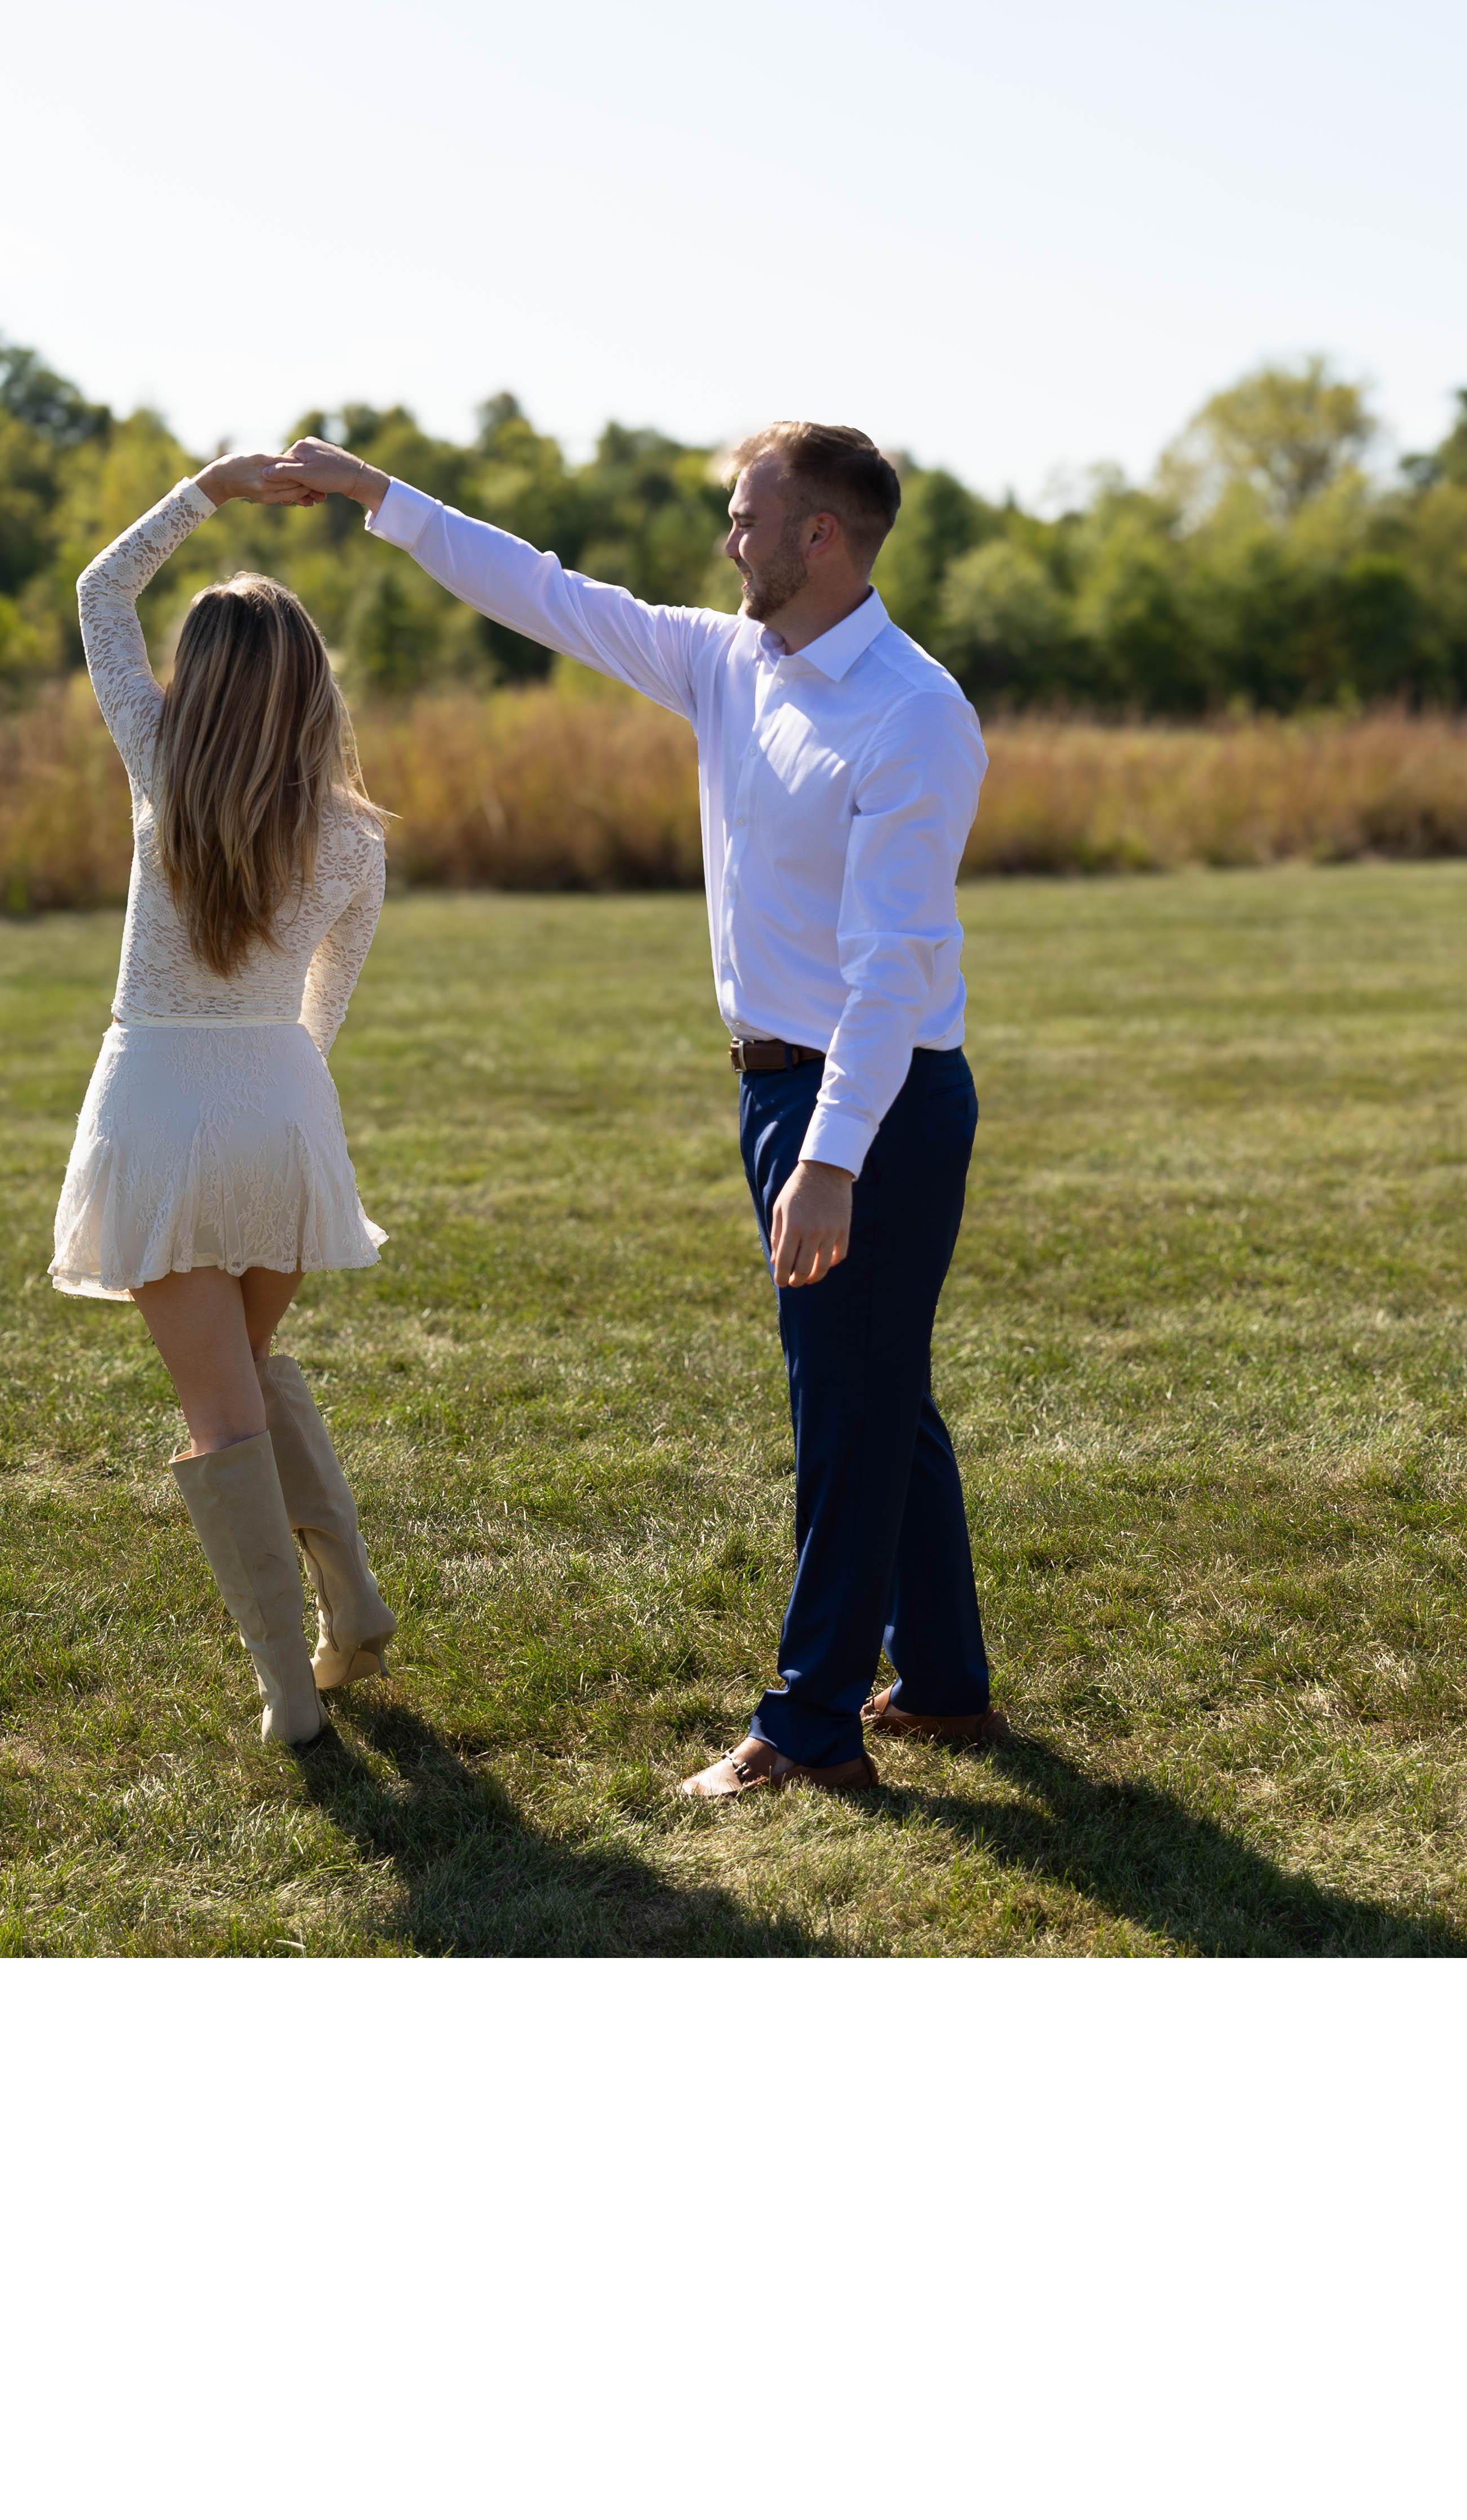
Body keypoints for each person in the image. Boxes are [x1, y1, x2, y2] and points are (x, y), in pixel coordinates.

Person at [266, 419, 997, 1798]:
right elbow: (549, 594)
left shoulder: (913, 714)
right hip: (781, 1092)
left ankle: (809, 1728)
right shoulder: (730, 662)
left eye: (749, 518)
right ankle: (945, 1681)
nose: (729, 540)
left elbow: (893, 972)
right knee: (876, 1393)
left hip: (873, 1103)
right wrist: (378, 495)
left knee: (845, 1415)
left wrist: (832, 1158)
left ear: (821, 536)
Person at [49, 451, 400, 1748]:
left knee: (220, 1409)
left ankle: (292, 1690)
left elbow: (101, 592)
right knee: (241, 1374)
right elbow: (326, 1010)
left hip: (159, 1103)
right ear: (315, 689)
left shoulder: (160, 773)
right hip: (282, 1109)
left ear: (193, 681)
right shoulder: (355, 838)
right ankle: (351, 1604)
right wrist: (277, 1092)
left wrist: (209, 490)